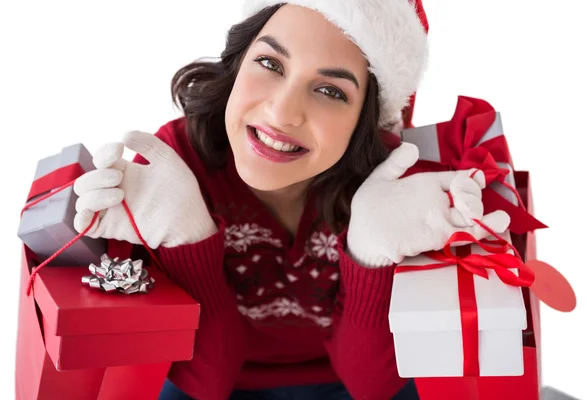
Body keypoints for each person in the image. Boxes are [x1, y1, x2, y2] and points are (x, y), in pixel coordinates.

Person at [72, 1, 510, 399]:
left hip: (350, 378)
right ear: (238, 62)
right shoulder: (177, 164)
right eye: (269, 62)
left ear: (365, 121)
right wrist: (186, 238)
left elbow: (372, 387)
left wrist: (371, 253)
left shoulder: (393, 182)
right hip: (219, 377)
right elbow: (206, 383)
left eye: (331, 91)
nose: (282, 113)